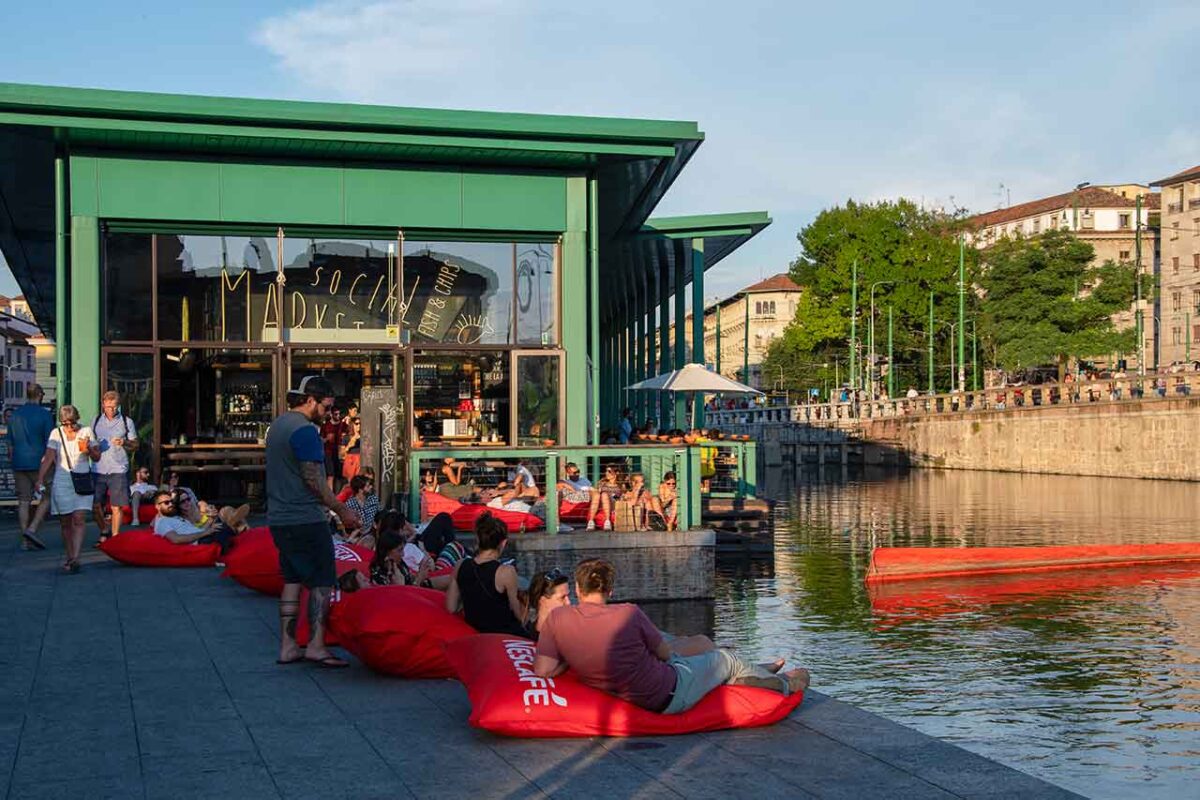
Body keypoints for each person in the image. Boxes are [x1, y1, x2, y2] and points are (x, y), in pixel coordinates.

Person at [534, 559, 808, 714]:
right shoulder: (628, 613)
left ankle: (758, 671)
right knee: (725, 659)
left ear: (579, 591)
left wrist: (571, 659)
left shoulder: (558, 619)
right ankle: (785, 685)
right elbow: (665, 655)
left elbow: (543, 670)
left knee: (705, 657)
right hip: (667, 693)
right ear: (610, 591)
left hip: (631, 690)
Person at [266, 375, 359, 668]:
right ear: (310, 400)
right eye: (325, 406)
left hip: (279, 517)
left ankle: (288, 645)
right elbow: (313, 480)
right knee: (321, 582)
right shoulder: (305, 431)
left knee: (292, 579)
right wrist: (341, 510)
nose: (328, 414)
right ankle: (317, 645)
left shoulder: (278, 426)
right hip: (305, 517)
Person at [33, 405, 100, 574]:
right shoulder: (56, 433)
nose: (69, 427)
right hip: (62, 480)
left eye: (71, 423)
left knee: (79, 518)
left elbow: (97, 457)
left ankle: (75, 557)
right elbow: (49, 457)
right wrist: (40, 478)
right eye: (65, 423)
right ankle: (70, 555)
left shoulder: (86, 431)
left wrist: (88, 449)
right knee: (65, 521)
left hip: (82, 478)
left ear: (77, 419)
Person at [445, 511, 527, 637]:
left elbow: (451, 607)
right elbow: (520, 616)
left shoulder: (460, 565)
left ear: (478, 539)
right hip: (503, 635)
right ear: (503, 543)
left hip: (475, 633)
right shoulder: (506, 572)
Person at [8, 383, 54, 550]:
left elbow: (10, 444)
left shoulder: (15, 415)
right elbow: (51, 442)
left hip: (19, 462)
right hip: (39, 462)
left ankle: (24, 539)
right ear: (40, 395)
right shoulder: (44, 415)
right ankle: (32, 528)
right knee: (48, 495)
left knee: (23, 501)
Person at [90, 390, 139, 545]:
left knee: (116, 506)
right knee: (95, 504)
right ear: (103, 405)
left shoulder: (126, 421)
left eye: (114, 406)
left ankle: (116, 538)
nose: (110, 410)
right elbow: (89, 442)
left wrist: (124, 442)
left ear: (118, 406)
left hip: (118, 468)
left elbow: (136, 445)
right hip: (98, 468)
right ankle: (105, 530)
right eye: (108, 406)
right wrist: (93, 447)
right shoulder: (96, 420)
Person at [523, 568, 570, 639]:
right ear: (542, 600)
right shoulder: (522, 638)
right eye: (562, 597)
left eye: (568, 596)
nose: (568, 602)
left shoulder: (574, 636)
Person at [320, 406, 346, 491]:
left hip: (340, 451)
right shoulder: (326, 426)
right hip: (329, 452)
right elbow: (320, 440)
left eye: (339, 414)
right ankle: (330, 494)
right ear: (331, 414)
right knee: (330, 475)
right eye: (336, 414)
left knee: (340, 475)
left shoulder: (343, 425)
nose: (338, 416)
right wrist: (327, 438)